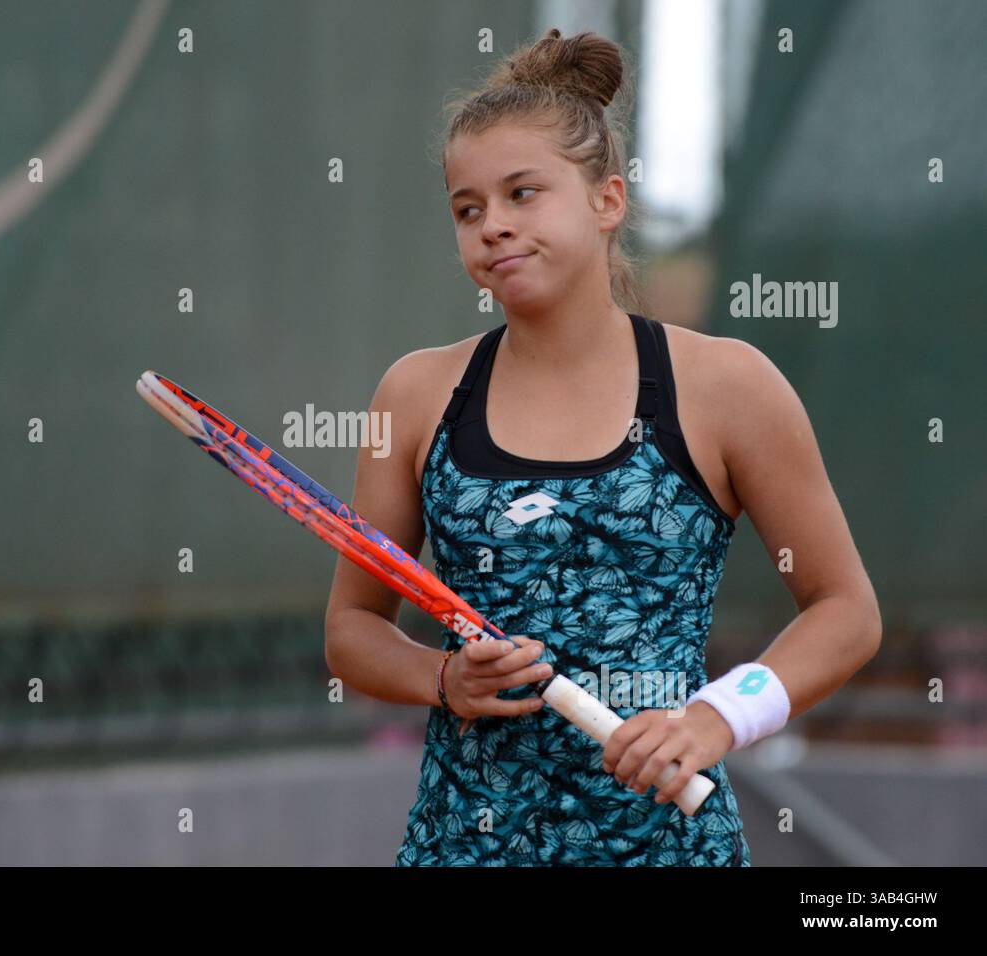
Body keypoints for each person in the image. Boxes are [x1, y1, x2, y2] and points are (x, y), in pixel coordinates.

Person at [323, 28, 881, 866]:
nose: (493, 227)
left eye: (523, 193)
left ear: (608, 201)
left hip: (669, 846)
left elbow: (846, 613)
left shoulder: (728, 385)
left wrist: (714, 718)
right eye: (468, 209)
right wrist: (443, 681)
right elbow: (352, 628)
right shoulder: (414, 394)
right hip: (462, 844)